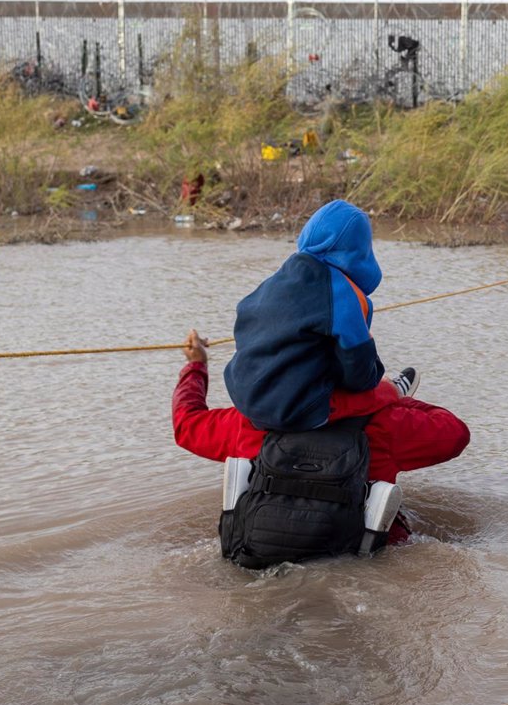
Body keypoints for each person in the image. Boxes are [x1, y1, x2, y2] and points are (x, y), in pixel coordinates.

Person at [172, 329, 470, 546]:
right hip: (361, 558)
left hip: (260, 554)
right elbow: (456, 432)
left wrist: (196, 365)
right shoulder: (385, 422)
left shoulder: (248, 423)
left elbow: (186, 423)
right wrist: (388, 394)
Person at [223, 198, 410, 433]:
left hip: (243, 398)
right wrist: (377, 373)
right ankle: (395, 390)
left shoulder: (277, 279)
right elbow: (360, 377)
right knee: (368, 394)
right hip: (294, 411)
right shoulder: (341, 290)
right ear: (359, 248)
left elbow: (245, 316)